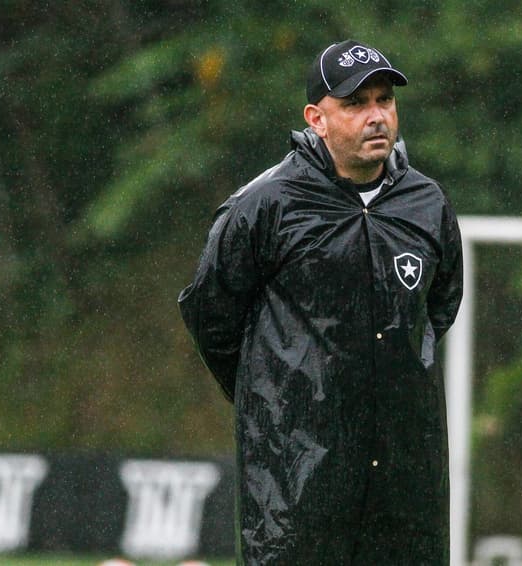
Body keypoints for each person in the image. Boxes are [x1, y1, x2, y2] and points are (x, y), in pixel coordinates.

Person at [178, 39, 463, 565]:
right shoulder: (264, 206)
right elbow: (211, 318)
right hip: (296, 484)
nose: (376, 116)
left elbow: (437, 309)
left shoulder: (427, 204)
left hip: (405, 478)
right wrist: (281, 403)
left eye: (384, 100)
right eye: (355, 104)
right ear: (317, 119)